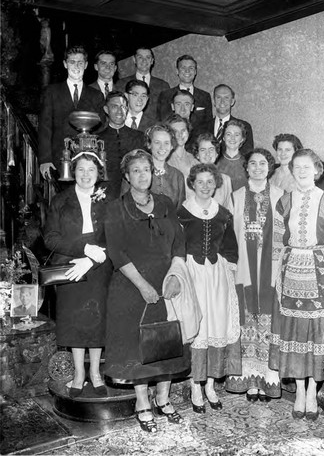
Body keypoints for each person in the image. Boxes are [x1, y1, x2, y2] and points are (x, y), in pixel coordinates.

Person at [104, 149, 190, 433]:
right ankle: (143, 402)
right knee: (138, 347)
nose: (143, 175)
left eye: (147, 169)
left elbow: (179, 243)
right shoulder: (116, 208)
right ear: (127, 177)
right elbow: (116, 251)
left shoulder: (166, 202)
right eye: (137, 170)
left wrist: (176, 275)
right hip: (131, 287)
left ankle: (163, 399)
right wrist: (141, 285)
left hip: (166, 284)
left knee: (165, 341)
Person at [269, 149, 324, 420]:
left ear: (317, 170)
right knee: (295, 331)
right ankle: (300, 390)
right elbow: (277, 243)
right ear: (292, 170)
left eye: (307, 166)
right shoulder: (284, 201)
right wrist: (275, 278)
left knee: (316, 332)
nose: (302, 171)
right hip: (290, 270)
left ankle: (313, 390)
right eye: (297, 166)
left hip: (320, 271)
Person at [43, 151, 112, 398]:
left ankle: (95, 372)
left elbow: (114, 236)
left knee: (96, 319)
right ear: (74, 172)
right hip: (70, 268)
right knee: (74, 321)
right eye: (81, 169)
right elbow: (50, 238)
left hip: (100, 267)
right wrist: (82, 250)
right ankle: (79, 373)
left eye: (91, 170)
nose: (86, 175)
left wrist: (92, 258)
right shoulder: (60, 201)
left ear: (98, 173)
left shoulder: (108, 200)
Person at [178, 163, 241, 413]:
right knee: (198, 326)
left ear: (216, 185)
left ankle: (211, 384)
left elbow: (230, 246)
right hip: (192, 273)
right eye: (200, 181)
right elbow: (176, 246)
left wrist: (230, 269)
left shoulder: (223, 213)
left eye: (210, 182)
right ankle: (196, 384)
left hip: (216, 275)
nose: (205, 186)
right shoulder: (181, 212)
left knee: (216, 324)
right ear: (192, 183)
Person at [226, 149, 284, 402]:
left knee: (270, 323)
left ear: (270, 168)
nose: (258, 168)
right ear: (246, 168)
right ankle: (250, 380)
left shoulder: (282, 196)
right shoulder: (235, 197)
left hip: (272, 270)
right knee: (246, 321)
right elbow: (228, 236)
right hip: (245, 269)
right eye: (253, 164)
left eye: (263, 163)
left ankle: (269, 379)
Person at [38, 45, 105, 180]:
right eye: (72, 62)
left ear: (86, 65)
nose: (76, 66)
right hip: (58, 159)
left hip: (88, 160)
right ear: (65, 64)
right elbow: (45, 127)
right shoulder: (51, 92)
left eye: (80, 62)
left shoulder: (96, 95)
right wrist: (45, 159)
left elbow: (101, 127)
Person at [99, 91, 145, 196]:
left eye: (123, 107)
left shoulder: (139, 137)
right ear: (106, 109)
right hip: (106, 196)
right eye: (114, 106)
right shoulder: (98, 139)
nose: (120, 111)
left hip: (133, 194)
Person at [157, 55, 212, 140]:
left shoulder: (205, 96)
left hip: (197, 144)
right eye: (183, 68)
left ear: (195, 71)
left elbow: (208, 125)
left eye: (191, 68)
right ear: (177, 71)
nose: (187, 71)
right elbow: (162, 122)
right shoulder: (165, 95)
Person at [115, 46, 170, 121]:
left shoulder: (163, 86)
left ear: (152, 61)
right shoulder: (121, 84)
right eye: (140, 57)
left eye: (148, 57)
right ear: (134, 60)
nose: (144, 61)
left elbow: (166, 114)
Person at [146, 124, 186, 210]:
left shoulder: (177, 176)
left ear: (172, 146)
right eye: (157, 142)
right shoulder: (136, 171)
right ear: (149, 144)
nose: (162, 147)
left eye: (166, 143)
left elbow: (180, 211)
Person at [208, 84, 254, 155]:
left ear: (232, 101)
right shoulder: (202, 127)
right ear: (214, 101)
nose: (222, 101)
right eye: (218, 97)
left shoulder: (244, 126)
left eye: (226, 98)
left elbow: (247, 154)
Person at [193, 132, 233, 212]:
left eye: (211, 149)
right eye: (203, 150)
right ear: (197, 155)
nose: (207, 154)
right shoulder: (190, 178)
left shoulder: (226, 180)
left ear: (217, 153)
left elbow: (229, 211)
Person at [217, 119, 248, 192]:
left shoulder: (248, 164)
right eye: (228, 134)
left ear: (242, 139)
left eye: (237, 135)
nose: (232, 138)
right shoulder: (216, 163)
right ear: (224, 138)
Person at [167, 114, 199, 183]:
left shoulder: (194, 160)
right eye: (175, 131)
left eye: (183, 130)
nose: (180, 134)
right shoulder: (164, 159)